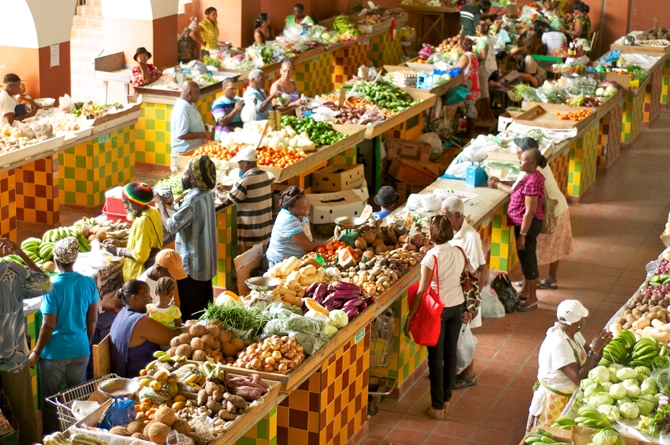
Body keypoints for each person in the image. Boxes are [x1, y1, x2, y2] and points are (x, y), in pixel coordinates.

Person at [28, 237, 99, 434]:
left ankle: (51, 437)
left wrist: (36, 352)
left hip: (54, 354)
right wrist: (86, 341)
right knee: (77, 400)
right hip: (80, 349)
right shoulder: (88, 283)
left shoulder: (52, 287)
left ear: (56, 261)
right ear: (74, 259)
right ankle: (78, 436)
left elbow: (48, 325)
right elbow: (92, 320)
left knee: (51, 400)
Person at [404, 215, 471, 420]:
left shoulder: (430, 257)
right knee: (450, 354)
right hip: (457, 307)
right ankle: (447, 400)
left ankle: (437, 407)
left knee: (435, 357)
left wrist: (410, 316)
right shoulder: (459, 251)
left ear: (431, 235)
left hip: (438, 311)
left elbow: (422, 291)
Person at [527, 300, 612, 431]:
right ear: (577, 322)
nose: (584, 320)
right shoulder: (558, 344)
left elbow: (591, 358)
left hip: (568, 395)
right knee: (553, 436)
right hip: (555, 400)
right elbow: (578, 378)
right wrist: (595, 350)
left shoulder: (573, 334)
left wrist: (600, 346)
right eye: (582, 317)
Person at [0, 238, 52, 445]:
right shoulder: (11, 272)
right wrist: (20, 252)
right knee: (26, 418)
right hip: (13, 356)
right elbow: (46, 284)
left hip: (13, 356)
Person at [155, 155, 217, 320]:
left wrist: (160, 204)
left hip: (192, 266)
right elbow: (187, 217)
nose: (183, 174)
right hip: (206, 262)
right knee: (205, 309)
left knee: (191, 313)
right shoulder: (207, 194)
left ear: (193, 179)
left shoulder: (192, 200)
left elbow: (171, 226)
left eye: (185, 172)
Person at [488, 148, 546, 311]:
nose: (519, 163)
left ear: (533, 163)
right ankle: (526, 290)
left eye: (523, 160)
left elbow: (530, 211)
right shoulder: (530, 176)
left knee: (528, 260)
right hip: (523, 224)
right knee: (524, 258)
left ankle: (533, 298)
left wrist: (522, 235)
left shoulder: (534, 180)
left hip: (527, 225)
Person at [511, 138, 573, 291]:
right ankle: (549, 279)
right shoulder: (539, 164)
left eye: (519, 149)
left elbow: (516, 191)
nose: (516, 152)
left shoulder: (533, 172)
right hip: (558, 207)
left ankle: (530, 284)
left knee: (530, 250)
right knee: (554, 244)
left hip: (551, 212)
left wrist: (497, 184)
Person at [441, 197, 487, 390]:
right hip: (455, 294)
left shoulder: (471, 237)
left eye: (446, 215)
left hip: (466, 296)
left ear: (458, 215)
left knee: (464, 338)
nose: (443, 219)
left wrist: (473, 303)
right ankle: (451, 370)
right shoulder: (451, 232)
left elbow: (481, 269)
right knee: (457, 336)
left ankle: (469, 374)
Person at [110, 280, 181, 378]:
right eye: (147, 294)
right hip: (139, 379)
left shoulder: (122, 314)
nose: (151, 299)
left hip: (124, 373)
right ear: (134, 298)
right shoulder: (141, 322)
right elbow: (175, 339)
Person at [104, 183, 163, 281]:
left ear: (135, 203)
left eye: (126, 202)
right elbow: (143, 243)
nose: (125, 207)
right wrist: (120, 243)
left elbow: (140, 255)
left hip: (138, 275)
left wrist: (117, 251)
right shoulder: (153, 211)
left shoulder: (143, 221)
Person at [220, 147, 274, 251]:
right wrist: (228, 187)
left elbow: (228, 201)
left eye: (239, 163)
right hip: (265, 228)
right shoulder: (264, 175)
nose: (239, 166)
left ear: (245, 163)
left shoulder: (245, 180)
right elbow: (248, 188)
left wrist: (216, 193)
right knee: (261, 256)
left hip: (251, 233)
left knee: (250, 261)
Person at [265, 186, 318, 267]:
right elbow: (307, 247)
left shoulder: (301, 214)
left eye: (308, 204)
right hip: (280, 265)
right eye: (303, 207)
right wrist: (320, 246)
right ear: (290, 209)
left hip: (294, 261)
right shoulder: (288, 220)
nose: (307, 208)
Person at [170, 80, 213, 172]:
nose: (199, 95)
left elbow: (190, 125)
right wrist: (203, 135)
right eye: (197, 93)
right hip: (183, 154)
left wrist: (204, 128)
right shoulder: (182, 108)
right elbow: (181, 134)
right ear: (189, 93)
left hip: (191, 152)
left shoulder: (189, 104)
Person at [455, 37, 480, 137]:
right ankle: (470, 130)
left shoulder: (465, 57)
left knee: (469, 108)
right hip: (473, 84)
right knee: (471, 107)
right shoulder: (473, 55)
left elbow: (457, 69)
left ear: (462, 47)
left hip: (468, 85)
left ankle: (469, 132)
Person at [473, 21, 497, 121]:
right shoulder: (489, 38)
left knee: (483, 91)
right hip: (490, 65)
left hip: (484, 68)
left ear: (479, 30)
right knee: (483, 90)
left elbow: (482, 57)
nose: (475, 30)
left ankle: (488, 114)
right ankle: (484, 113)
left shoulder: (482, 41)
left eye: (476, 29)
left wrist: (472, 56)